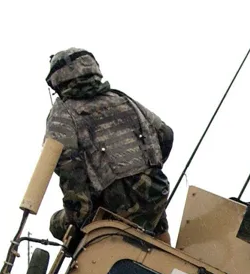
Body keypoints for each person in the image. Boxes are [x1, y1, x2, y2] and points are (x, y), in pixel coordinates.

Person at [44, 48, 174, 241]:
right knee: (154, 224)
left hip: (113, 206)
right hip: (155, 191)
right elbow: (165, 134)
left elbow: (69, 171)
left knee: (56, 224)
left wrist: (82, 221)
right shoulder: (121, 98)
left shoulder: (62, 113)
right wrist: (147, 169)